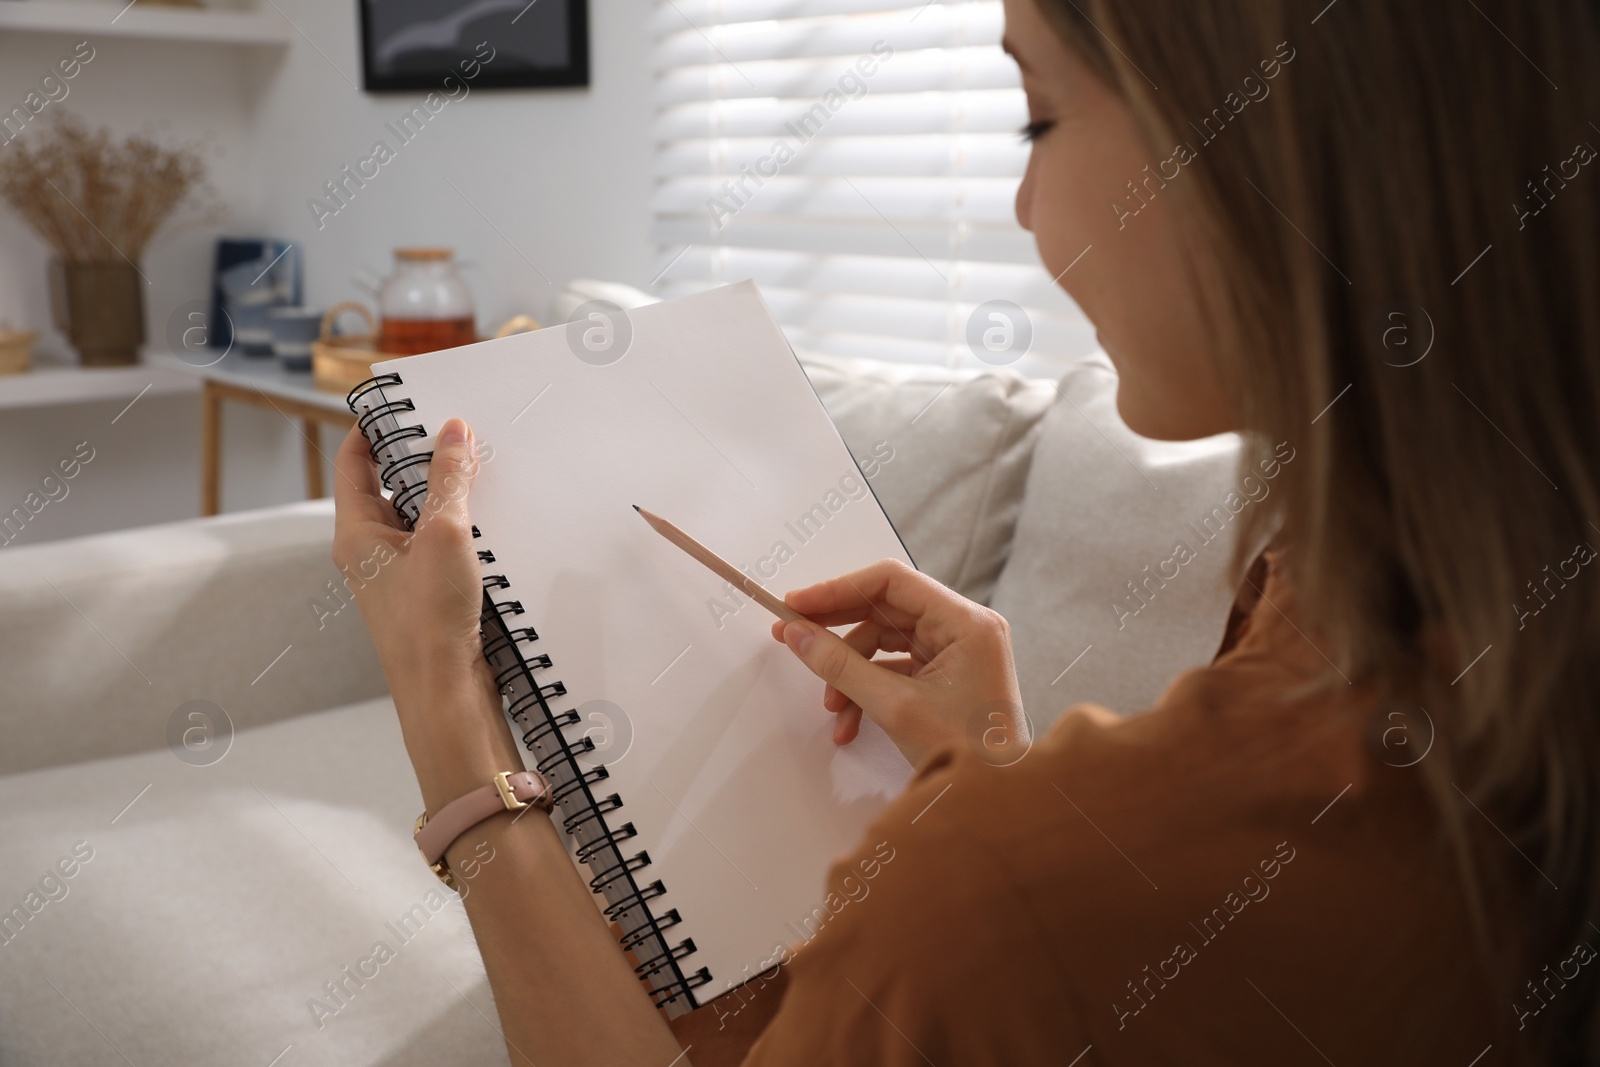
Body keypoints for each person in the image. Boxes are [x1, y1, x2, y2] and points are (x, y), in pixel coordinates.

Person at [332, 0, 1600, 1062]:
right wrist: (996, 777)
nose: (1020, 202)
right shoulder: (1394, 619)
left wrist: (446, 711)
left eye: (1039, 115)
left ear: (1283, 141)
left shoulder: (998, 898)